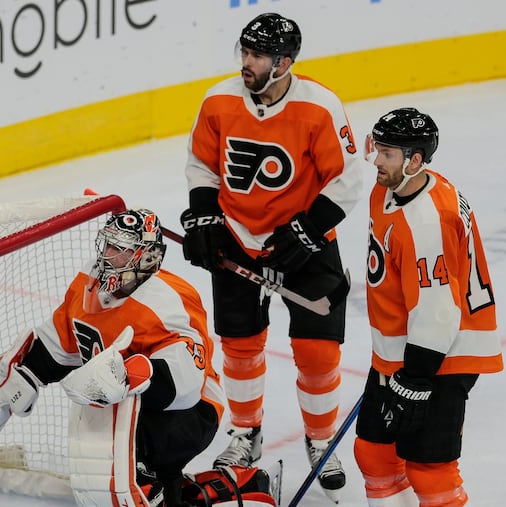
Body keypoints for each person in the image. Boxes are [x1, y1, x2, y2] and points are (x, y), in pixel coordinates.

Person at [180, 12, 364, 502]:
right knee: (239, 347)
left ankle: (322, 438)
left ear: (284, 63)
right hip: (238, 235)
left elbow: (346, 178)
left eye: (257, 55)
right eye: (244, 51)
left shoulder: (320, 106)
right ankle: (245, 433)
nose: (247, 62)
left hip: (306, 244)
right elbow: (202, 162)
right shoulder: (218, 99)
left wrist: (305, 231)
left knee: (318, 352)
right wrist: (204, 218)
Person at [0, 208, 225, 507]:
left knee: (128, 461)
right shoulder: (88, 281)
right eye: (108, 244)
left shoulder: (170, 300)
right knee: (103, 455)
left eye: (120, 249)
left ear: (148, 257)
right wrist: (28, 371)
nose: (107, 255)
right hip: (126, 406)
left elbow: (188, 378)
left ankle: (166, 489)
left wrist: (134, 374)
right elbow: (63, 341)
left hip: (190, 411)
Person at [355, 108, 503, 506]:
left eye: (386, 153)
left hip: (442, 354)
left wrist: (415, 380)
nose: (376, 160)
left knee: (429, 470)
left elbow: (438, 311)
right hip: (405, 349)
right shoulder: (391, 190)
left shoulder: (425, 220)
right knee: (374, 453)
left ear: (414, 160)